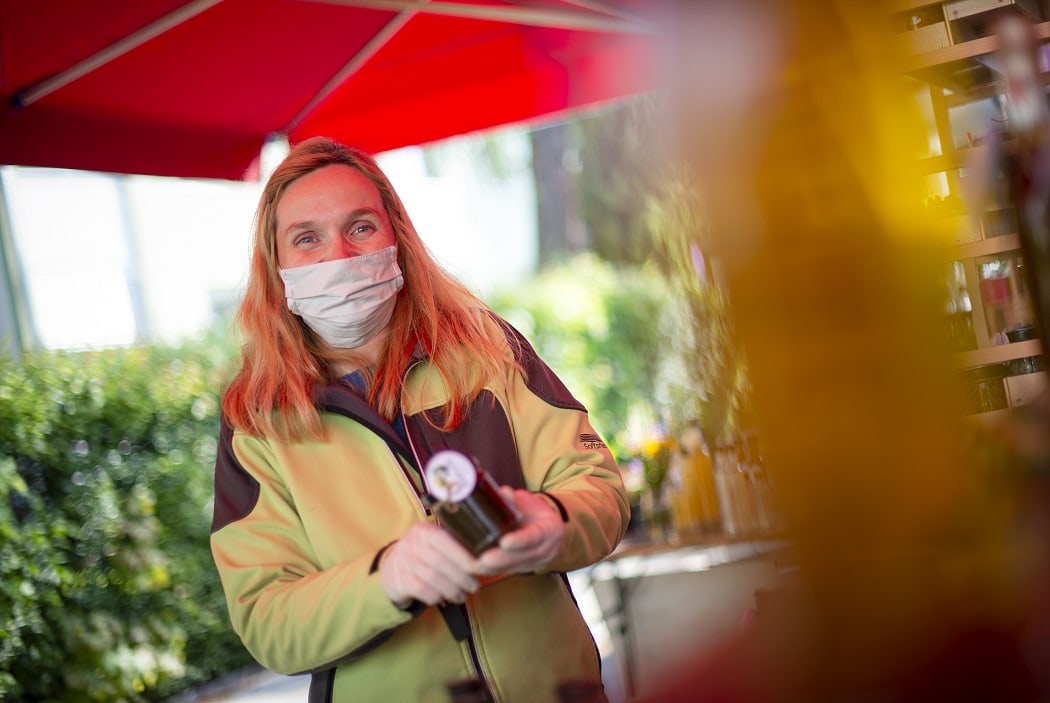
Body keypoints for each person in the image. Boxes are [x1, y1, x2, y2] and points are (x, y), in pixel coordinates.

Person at [209, 136, 630, 703]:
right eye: (307, 238)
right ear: (276, 266)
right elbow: (268, 620)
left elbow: (597, 487)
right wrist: (388, 580)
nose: (340, 256)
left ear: (397, 239)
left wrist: (554, 520)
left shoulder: (488, 351)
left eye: (361, 227)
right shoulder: (258, 421)